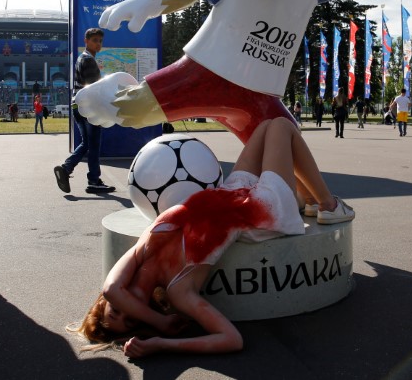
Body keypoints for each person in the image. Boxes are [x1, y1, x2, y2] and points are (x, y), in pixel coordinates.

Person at [74, 117, 354, 356]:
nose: (126, 309)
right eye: (130, 318)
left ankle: (305, 198)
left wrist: (152, 322)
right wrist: (161, 339)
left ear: (102, 304)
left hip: (231, 192)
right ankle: (328, 205)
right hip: (259, 210)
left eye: (115, 312)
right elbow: (232, 339)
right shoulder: (178, 290)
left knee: (266, 125)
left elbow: (112, 289)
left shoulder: (142, 251)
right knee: (282, 126)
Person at [54, 28, 115, 195]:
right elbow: (94, 88)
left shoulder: (82, 59)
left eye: (100, 41)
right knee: (93, 145)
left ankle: (67, 169)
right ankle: (93, 180)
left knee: (87, 143)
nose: (98, 44)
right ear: (86, 41)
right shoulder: (88, 61)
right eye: (95, 40)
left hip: (78, 107)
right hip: (89, 108)